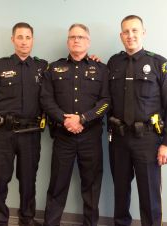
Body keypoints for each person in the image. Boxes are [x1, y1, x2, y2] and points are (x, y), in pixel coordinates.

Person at [107, 15, 167, 226]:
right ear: (121, 35)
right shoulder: (113, 62)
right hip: (119, 139)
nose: (130, 35)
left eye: (135, 31)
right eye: (126, 32)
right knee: (120, 193)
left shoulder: (159, 63)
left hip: (147, 140)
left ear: (143, 33)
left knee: (149, 195)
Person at [0, 22, 48, 226]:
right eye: (20, 37)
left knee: (28, 181)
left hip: (31, 134)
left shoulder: (42, 67)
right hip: (3, 135)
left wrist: (92, 59)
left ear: (33, 40)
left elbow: (65, 76)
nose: (24, 41)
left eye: (28, 37)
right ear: (13, 39)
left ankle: (27, 219)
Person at [40, 23, 110, 226]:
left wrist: (83, 119)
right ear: (67, 42)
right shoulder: (53, 68)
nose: (76, 40)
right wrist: (65, 120)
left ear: (88, 41)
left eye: (81, 37)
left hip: (91, 138)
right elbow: (46, 100)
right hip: (63, 137)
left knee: (91, 188)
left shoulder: (101, 69)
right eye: (72, 37)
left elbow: (106, 101)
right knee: (57, 186)